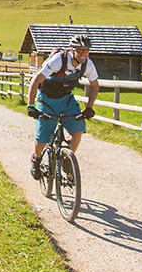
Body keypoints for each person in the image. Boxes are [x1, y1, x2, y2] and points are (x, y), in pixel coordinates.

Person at [26, 35, 101, 179]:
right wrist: (31, 105)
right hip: (47, 99)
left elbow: (94, 85)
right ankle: (36, 158)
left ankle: (67, 160)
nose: (84, 54)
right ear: (72, 50)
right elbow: (36, 80)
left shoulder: (87, 64)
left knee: (78, 130)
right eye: (80, 50)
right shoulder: (58, 60)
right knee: (43, 137)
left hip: (66, 99)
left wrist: (89, 107)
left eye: (87, 50)